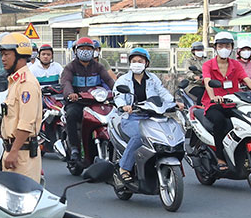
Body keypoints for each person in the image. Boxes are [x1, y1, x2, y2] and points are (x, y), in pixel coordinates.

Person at [113, 47, 173, 181]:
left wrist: (174, 102)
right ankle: (124, 167)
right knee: (139, 136)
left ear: (146, 63)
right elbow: (118, 95)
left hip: (152, 117)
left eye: (140, 61)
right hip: (131, 118)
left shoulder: (153, 79)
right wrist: (123, 105)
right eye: (134, 61)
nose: (137, 63)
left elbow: (162, 93)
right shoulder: (123, 80)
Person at [59, 36, 116, 170]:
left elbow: (109, 81)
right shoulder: (70, 67)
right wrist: (70, 94)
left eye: (89, 49)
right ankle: (74, 149)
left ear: (94, 51)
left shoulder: (98, 67)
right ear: (76, 51)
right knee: (72, 114)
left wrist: (118, 92)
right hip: (77, 101)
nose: (86, 51)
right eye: (82, 49)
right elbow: (65, 82)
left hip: (95, 102)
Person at [200, 32, 251, 168]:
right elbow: (207, 81)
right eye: (221, 45)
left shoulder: (236, 65)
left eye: (227, 45)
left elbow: (247, 80)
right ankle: (220, 158)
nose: (224, 48)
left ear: (232, 47)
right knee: (220, 122)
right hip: (214, 104)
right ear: (216, 47)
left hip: (234, 103)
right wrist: (213, 97)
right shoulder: (208, 65)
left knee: (247, 122)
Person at [0, 34, 43, 180]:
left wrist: (14, 151)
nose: (3, 59)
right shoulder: (15, 82)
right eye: (2, 55)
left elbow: (26, 123)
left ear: (20, 56)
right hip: (13, 151)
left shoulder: (26, 84)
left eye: (7, 54)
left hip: (22, 154)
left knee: (23, 199)